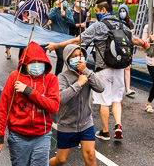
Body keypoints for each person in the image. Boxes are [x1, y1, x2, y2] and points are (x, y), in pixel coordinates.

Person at [46, 10, 148, 141]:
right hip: (120, 68)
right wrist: (145, 44)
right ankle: (118, 125)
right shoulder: (123, 25)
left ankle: (105, 132)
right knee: (117, 99)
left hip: (104, 69)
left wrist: (56, 46)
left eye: (98, 10)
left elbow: (78, 41)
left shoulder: (98, 26)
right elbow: (135, 40)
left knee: (104, 101)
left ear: (102, 10)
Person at [49, 44, 106, 166]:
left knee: (90, 155)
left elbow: (101, 88)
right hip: (67, 124)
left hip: (86, 123)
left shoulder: (87, 73)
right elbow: (59, 99)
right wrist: (78, 84)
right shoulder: (62, 77)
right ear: (67, 59)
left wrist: (87, 73)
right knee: (61, 160)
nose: (77, 59)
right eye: (73, 56)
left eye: (80, 55)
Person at [116, 3, 137, 98]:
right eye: (121, 11)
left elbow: (133, 35)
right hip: (119, 47)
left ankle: (128, 88)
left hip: (128, 47)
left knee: (127, 67)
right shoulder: (116, 22)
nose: (122, 13)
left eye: (124, 11)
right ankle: (118, 88)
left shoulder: (130, 22)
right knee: (119, 68)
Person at [48, 0, 74, 75]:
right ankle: (56, 75)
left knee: (63, 58)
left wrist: (65, 16)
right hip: (55, 37)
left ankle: (58, 75)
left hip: (65, 38)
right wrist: (56, 8)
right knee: (60, 56)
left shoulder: (68, 12)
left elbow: (72, 22)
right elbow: (50, 17)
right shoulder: (54, 10)